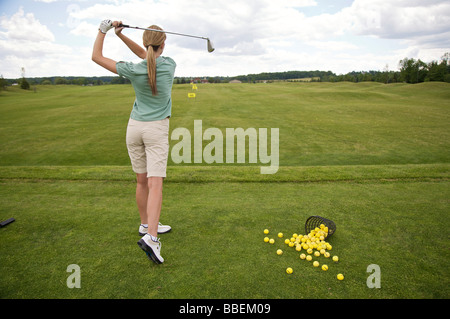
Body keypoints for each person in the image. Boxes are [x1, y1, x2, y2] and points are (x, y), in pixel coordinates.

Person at [92, 20, 176, 264]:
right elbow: (147, 54)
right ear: (163, 44)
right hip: (156, 129)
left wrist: (106, 31)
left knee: (141, 181)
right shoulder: (169, 64)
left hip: (134, 128)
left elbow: (97, 57)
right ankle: (151, 237)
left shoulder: (133, 69)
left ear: (144, 42)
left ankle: (146, 224)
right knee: (155, 183)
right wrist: (121, 36)